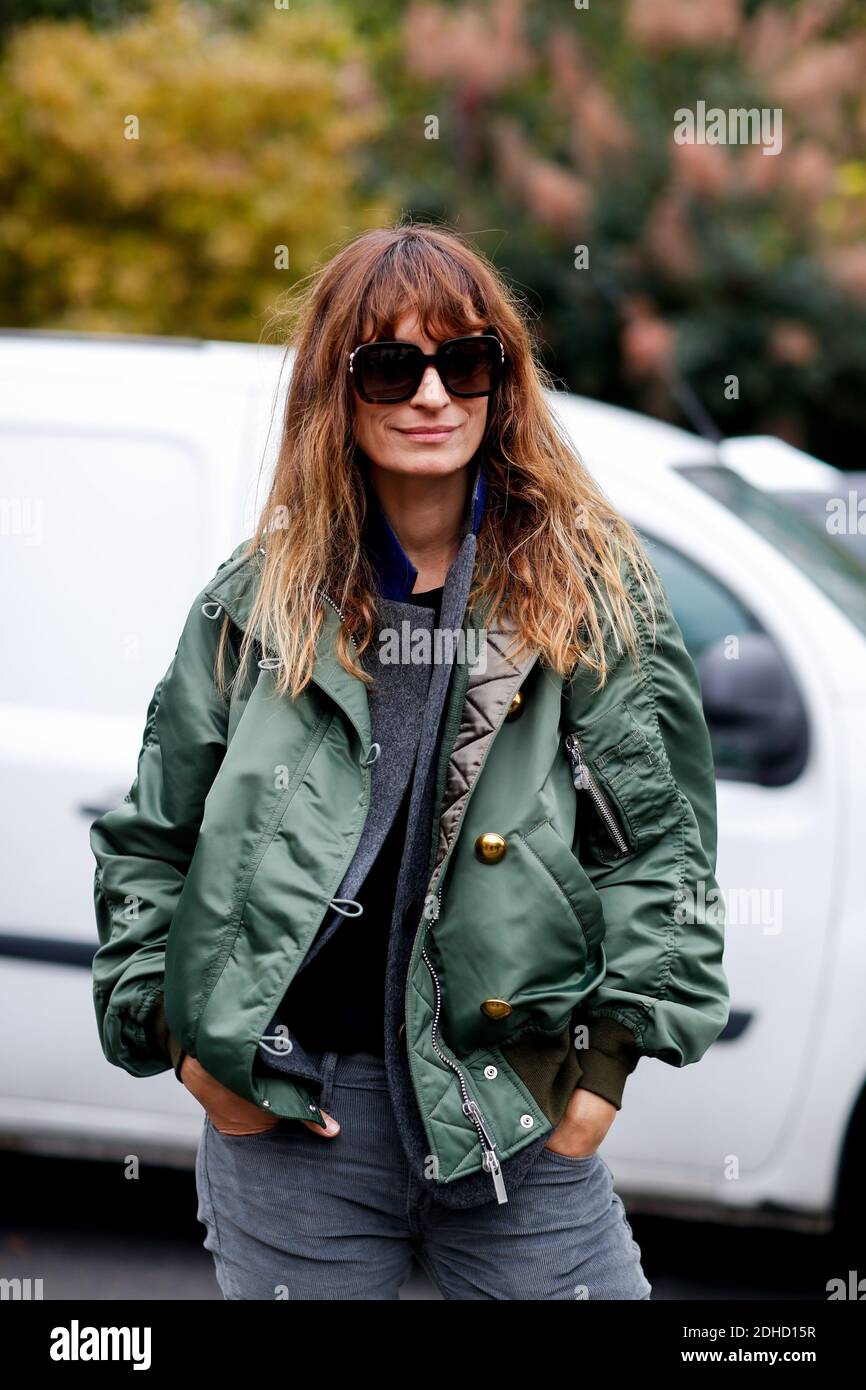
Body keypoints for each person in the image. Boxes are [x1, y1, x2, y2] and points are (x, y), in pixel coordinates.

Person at [90, 222, 729, 1300]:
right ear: (334, 390)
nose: (431, 394)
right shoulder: (255, 605)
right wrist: (187, 1048)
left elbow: (661, 849)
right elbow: (149, 840)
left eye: (462, 361)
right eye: (390, 365)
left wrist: (600, 1078)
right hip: (293, 1118)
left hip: (514, 1122)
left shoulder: (591, 598)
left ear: (500, 382)